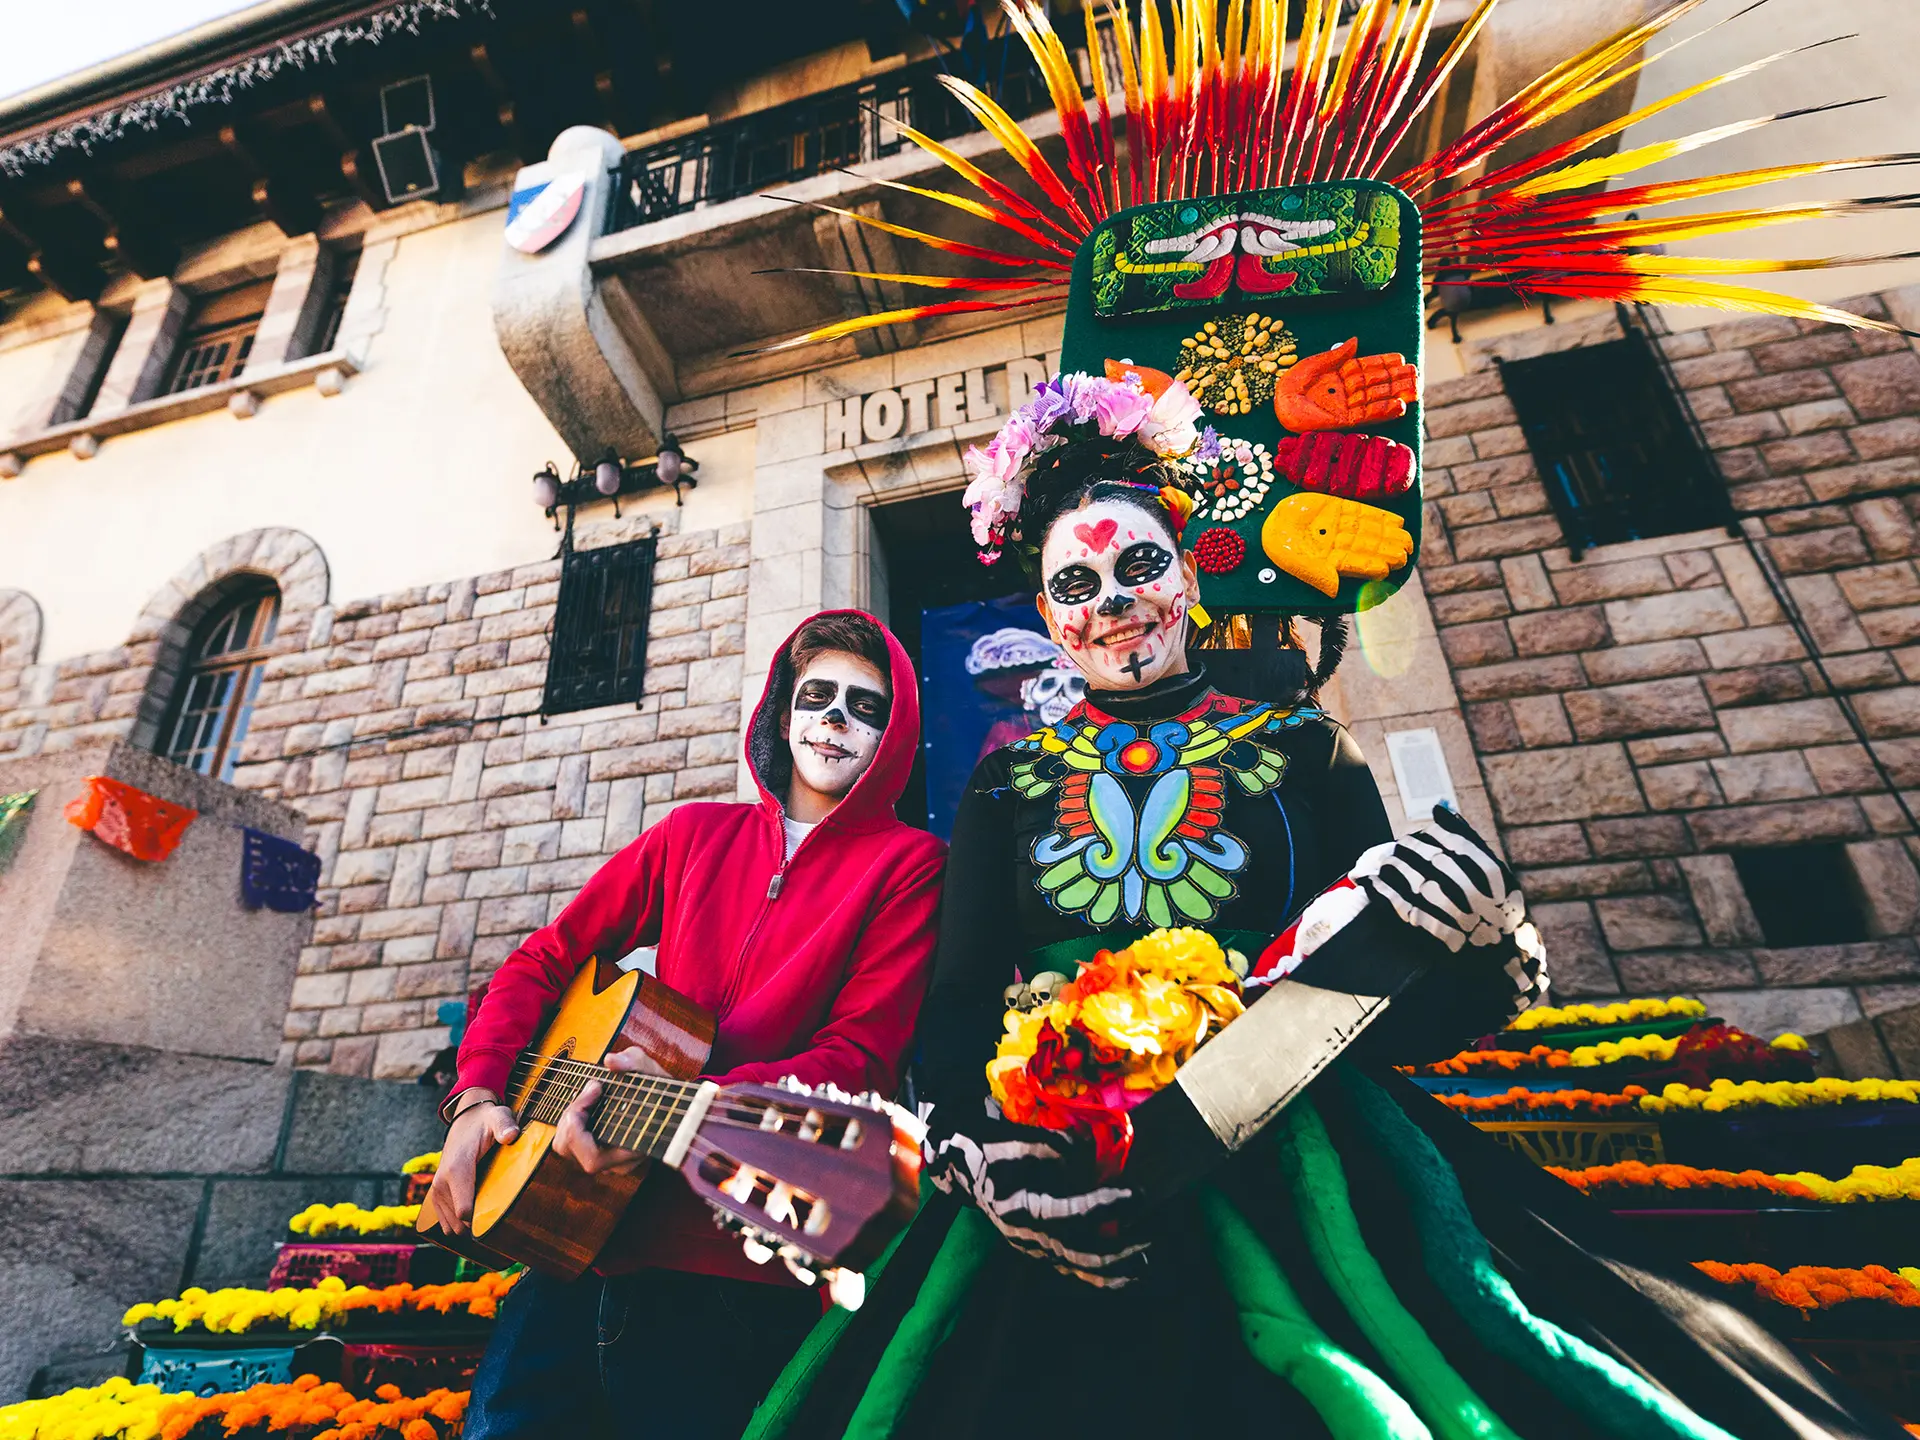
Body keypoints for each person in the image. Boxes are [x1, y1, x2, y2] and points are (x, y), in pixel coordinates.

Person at [429, 610, 945, 1440]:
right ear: (783, 712)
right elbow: (546, 958)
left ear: (895, 736)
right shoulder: (693, 834)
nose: (837, 717)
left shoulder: (911, 867)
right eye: (818, 695)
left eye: (866, 705)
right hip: (577, 1246)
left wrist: (693, 1101)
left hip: (733, 1273)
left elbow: (861, 1058)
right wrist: (478, 1092)